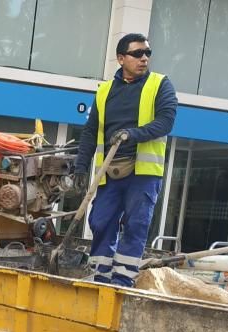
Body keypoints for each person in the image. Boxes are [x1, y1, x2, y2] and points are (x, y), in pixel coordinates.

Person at [74, 32, 178, 286]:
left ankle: (122, 280)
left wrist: (132, 134)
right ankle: (101, 274)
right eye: (137, 54)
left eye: (147, 54)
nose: (144, 58)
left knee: (136, 224)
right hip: (110, 171)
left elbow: (165, 122)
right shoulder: (105, 91)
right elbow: (90, 131)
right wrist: (80, 166)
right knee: (100, 221)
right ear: (121, 59)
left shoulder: (159, 84)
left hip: (142, 173)